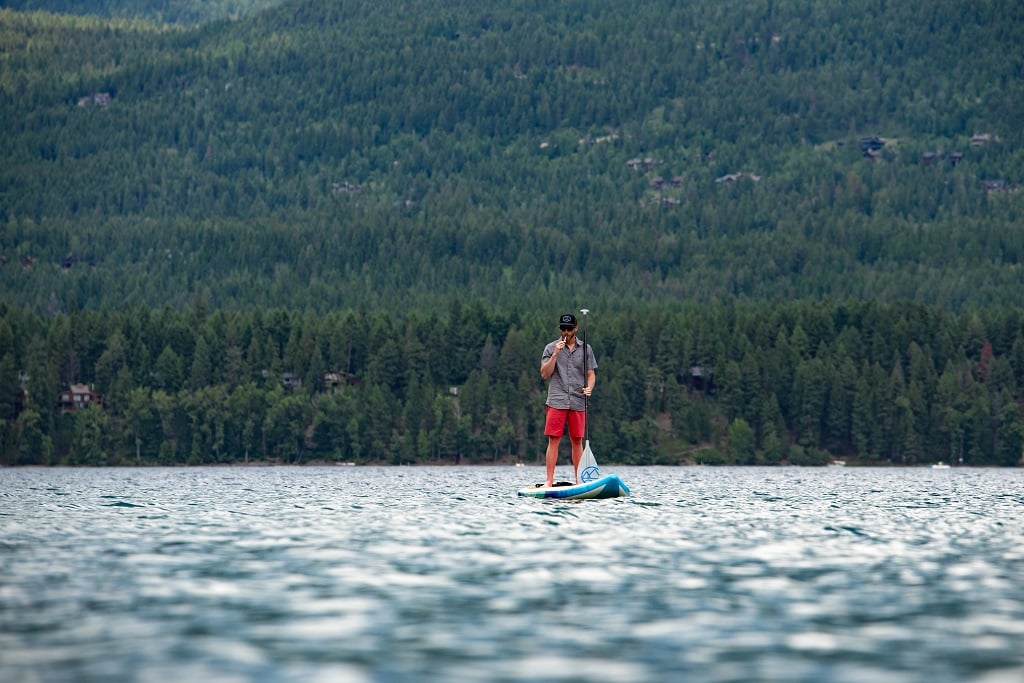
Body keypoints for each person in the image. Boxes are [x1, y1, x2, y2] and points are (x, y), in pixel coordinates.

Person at [540, 312, 597, 487]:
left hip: (578, 400)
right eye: (563, 328)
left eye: (569, 328)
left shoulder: (586, 349)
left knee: (577, 440)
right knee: (554, 439)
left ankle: (579, 480)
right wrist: (555, 354)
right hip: (557, 399)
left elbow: (591, 374)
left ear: (576, 328)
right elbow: (544, 374)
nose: (566, 332)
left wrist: (590, 387)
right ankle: (549, 481)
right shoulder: (550, 348)